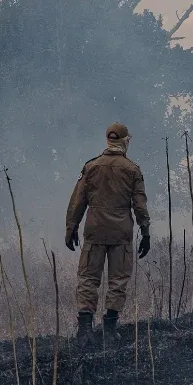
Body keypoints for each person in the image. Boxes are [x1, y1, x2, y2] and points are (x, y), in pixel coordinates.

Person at [65, 122, 151, 348]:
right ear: (125, 141)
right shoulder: (132, 169)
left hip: (94, 231)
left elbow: (77, 201)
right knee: (118, 280)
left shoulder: (91, 167)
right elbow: (140, 205)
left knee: (88, 279)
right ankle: (110, 331)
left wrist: (71, 228)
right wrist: (146, 231)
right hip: (121, 233)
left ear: (108, 140)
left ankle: (84, 332)